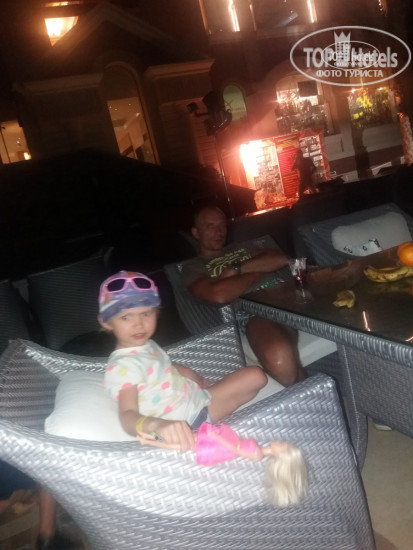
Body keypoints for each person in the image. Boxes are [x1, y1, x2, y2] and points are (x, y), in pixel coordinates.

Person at [99, 270, 267, 450]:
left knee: (256, 376)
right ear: (106, 322)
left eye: (146, 313)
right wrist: (157, 425)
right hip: (185, 425)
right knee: (256, 377)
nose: (139, 324)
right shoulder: (124, 366)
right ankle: (208, 430)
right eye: (126, 317)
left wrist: (195, 378)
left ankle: (214, 420)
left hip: (197, 400)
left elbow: (165, 366)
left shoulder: (144, 345)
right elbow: (127, 415)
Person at [182, 205, 307, 386]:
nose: (219, 231)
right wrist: (259, 271)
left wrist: (236, 270)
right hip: (254, 312)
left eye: (222, 225)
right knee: (279, 359)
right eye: (210, 226)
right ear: (196, 232)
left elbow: (280, 258)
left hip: (288, 293)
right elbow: (218, 294)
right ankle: (309, 393)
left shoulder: (242, 247)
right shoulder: (194, 267)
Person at [137, 421, 308, 507]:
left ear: (280, 455)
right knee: (185, 440)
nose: (279, 442)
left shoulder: (257, 454)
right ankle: (150, 437)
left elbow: (235, 449)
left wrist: (216, 437)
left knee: (183, 443)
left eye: (282, 445)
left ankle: (150, 439)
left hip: (218, 447)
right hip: (221, 443)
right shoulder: (259, 449)